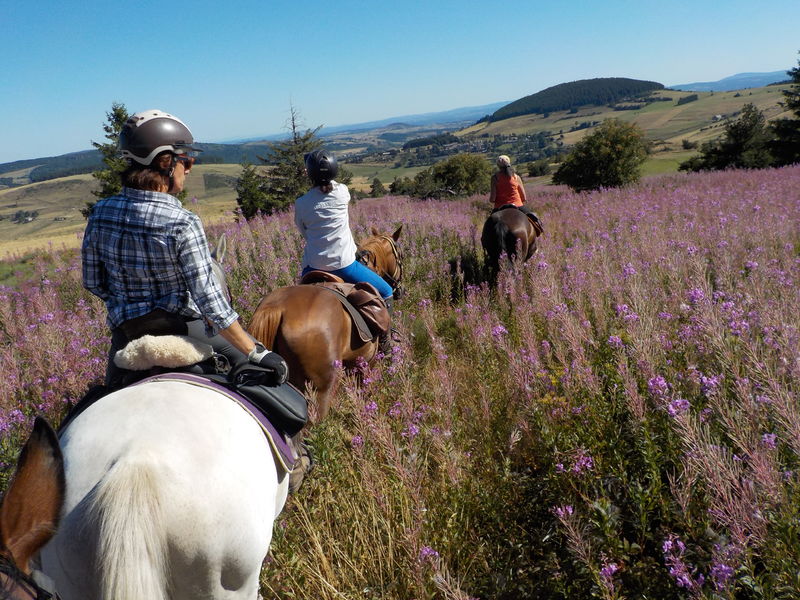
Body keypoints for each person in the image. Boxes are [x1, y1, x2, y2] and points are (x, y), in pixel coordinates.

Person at [82, 109, 288, 389]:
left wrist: (131, 304)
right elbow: (210, 301)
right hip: (184, 328)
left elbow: (93, 282)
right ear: (165, 162)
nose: (189, 169)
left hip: (127, 333)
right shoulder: (183, 222)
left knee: (100, 398)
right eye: (186, 161)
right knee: (273, 390)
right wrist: (256, 352)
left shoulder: (100, 213)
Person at [294, 149, 396, 353]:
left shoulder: (301, 203)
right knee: (386, 291)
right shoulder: (342, 193)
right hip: (344, 266)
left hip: (312, 267)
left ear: (310, 175)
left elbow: (303, 231)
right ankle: (386, 342)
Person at [489, 155, 544, 234]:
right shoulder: (516, 177)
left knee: (488, 227)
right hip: (518, 205)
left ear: (498, 166)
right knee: (535, 219)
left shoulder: (495, 178)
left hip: (499, 207)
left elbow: (492, 199)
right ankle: (539, 231)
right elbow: (524, 198)